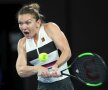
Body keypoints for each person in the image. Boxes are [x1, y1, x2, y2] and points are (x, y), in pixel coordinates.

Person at [15, 2, 74, 90]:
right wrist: (37, 69)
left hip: (63, 83)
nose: (24, 27)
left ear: (38, 23)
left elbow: (67, 51)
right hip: (43, 86)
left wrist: (56, 66)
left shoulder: (49, 28)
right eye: (20, 23)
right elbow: (20, 70)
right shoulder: (22, 43)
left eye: (28, 22)